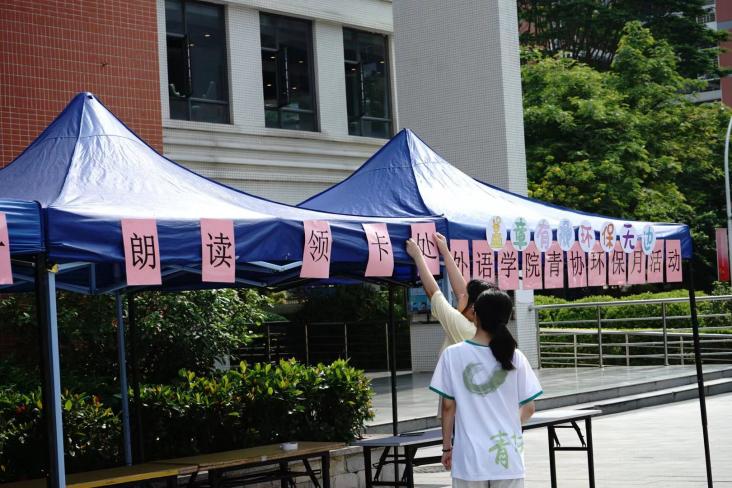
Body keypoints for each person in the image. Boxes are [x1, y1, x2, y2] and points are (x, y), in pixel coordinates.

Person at [430, 288, 542, 488]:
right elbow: (529, 408)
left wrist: (447, 448)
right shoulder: (516, 356)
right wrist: (507, 425)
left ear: (475, 314)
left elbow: (448, 407)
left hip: (469, 458)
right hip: (508, 455)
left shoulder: (452, 355)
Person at [406, 233, 494, 416]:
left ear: (473, 307)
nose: (459, 296)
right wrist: (445, 252)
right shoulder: (481, 328)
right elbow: (462, 291)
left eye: (464, 297)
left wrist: (418, 256)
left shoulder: (464, 328)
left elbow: (434, 292)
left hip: (459, 412)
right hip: (472, 408)